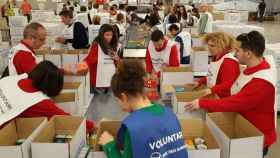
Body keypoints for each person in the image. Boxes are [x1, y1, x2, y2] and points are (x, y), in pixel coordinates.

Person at [185, 31, 277, 157]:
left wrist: (202, 102)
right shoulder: (252, 68)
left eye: (238, 50)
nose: (234, 54)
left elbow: (235, 102)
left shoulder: (261, 82)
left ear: (249, 53)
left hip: (255, 136)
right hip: (243, 125)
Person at [98, 59, 188, 158]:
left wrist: (109, 145)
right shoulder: (169, 114)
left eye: (117, 100)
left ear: (123, 97)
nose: (118, 105)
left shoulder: (132, 129)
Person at [0, 61, 94, 133]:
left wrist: (72, 69)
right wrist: (93, 126)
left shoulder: (14, 78)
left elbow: (47, 72)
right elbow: (67, 120)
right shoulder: (38, 102)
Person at [64, 24, 122, 92]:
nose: (109, 37)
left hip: (109, 82)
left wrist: (117, 59)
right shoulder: (96, 46)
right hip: (99, 84)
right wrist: (72, 68)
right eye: (107, 35)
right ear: (101, 35)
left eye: (111, 35)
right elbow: (88, 61)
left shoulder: (115, 46)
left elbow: (117, 64)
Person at [190, 32, 240, 98]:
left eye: (212, 46)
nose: (209, 48)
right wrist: (199, 82)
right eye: (208, 45)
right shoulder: (216, 57)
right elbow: (211, 75)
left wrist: (211, 90)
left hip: (224, 99)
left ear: (223, 46)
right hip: (215, 95)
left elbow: (228, 84)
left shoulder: (228, 62)